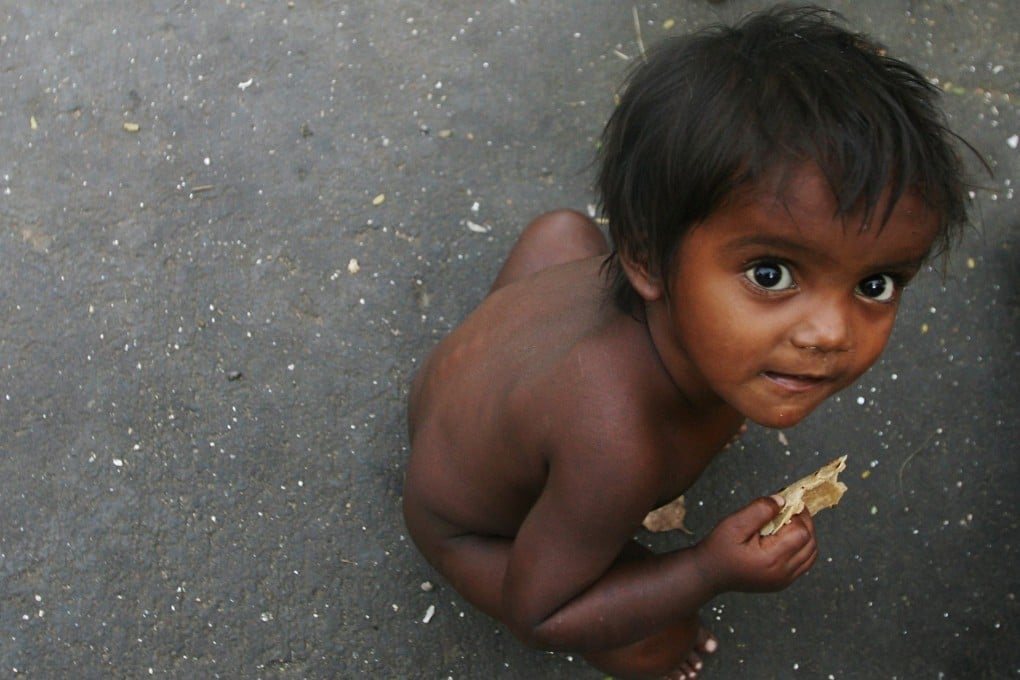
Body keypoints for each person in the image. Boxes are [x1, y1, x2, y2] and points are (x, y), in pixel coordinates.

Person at [403, 6, 973, 679]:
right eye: (771, 274)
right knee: (651, 635)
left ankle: (517, 398)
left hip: (485, 382)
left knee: (562, 234)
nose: (831, 333)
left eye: (876, 284)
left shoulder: (666, 328)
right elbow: (538, 613)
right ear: (644, 256)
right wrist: (706, 569)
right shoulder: (618, 441)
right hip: (465, 526)